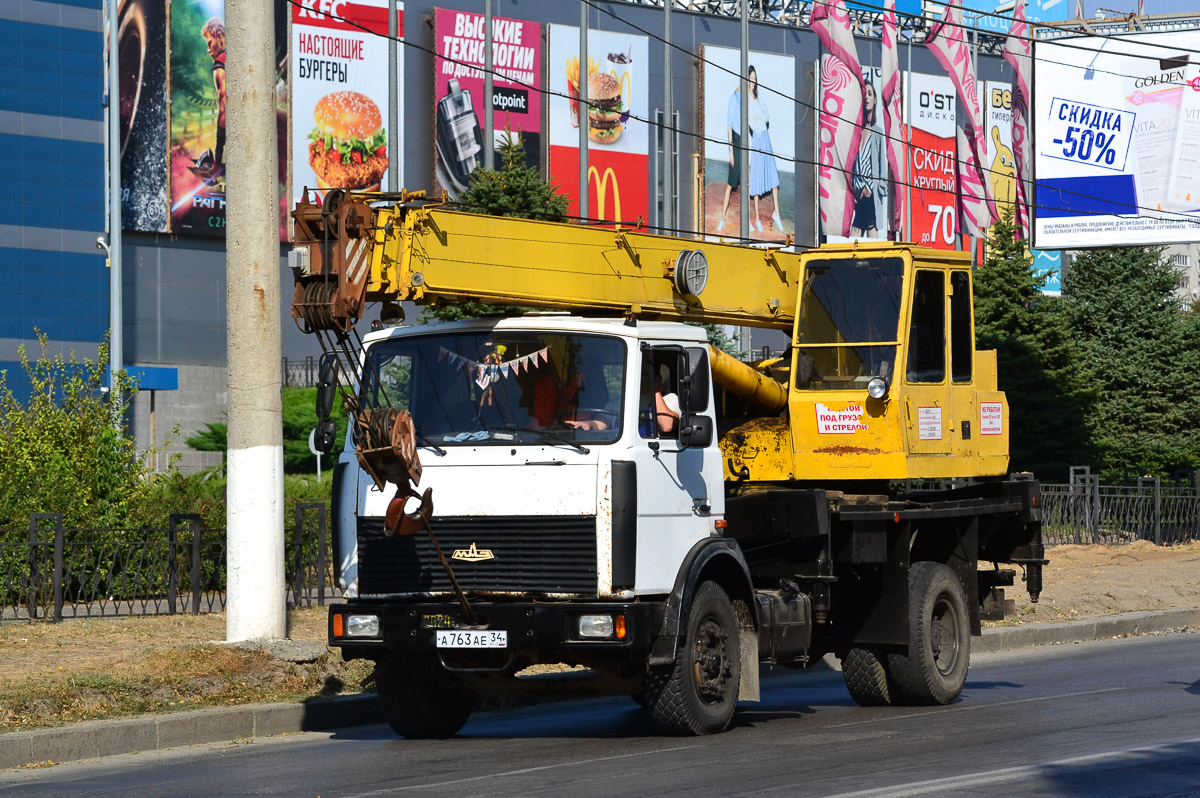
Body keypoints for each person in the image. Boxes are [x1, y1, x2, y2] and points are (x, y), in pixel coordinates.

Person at [746, 66, 784, 234]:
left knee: (773, 178)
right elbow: (752, 122)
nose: (753, 82)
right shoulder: (745, 99)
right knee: (756, 180)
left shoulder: (759, 95)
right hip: (757, 139)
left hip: (765, 138)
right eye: (751, 78)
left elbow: (766, 116)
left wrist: (759, 116)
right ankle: (757, 219)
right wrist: (759, 117)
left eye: (755, 78)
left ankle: (777, 213)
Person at [850, 79, 887, 239]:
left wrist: (871, 190)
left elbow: (882, 170)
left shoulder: (878, 133)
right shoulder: (855, 131)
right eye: (864, 94)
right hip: (857, 196)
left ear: (875, 99)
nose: (866, 97)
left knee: (872, 243)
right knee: (853, 240)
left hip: (871, 196)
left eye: (870, 94)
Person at [715, 77, 743, 234]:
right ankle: (722, 218)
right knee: (731, 183)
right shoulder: (735, 98)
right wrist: (731, 150)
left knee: (745, 184)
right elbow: (729, 125)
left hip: (746, 141)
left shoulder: (749, 99)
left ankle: (745, 220)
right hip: (737, 140)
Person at [201, 18, 226, 168]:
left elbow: (224, 108)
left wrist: (218, 158)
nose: (209, 50)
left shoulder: (220, 65)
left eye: (210, 43)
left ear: (219, 36)